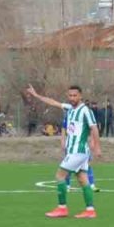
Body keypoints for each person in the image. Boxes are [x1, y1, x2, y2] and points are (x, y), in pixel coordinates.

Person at [27, 84, 101, 219]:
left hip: (77, 151)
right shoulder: (69, 108)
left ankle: (62, 208)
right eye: (70, 95)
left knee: (60, 176)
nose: (72, 98)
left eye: (75, 95)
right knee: (83, 179)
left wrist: (97, 147)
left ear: (80, 96)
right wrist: (36, 95)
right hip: (78, 152)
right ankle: (90, 210)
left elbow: (94, 128)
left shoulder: (85, 111)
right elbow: (53, 102)